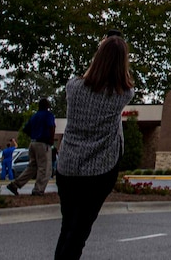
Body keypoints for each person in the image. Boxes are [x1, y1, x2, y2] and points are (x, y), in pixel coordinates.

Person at [52, 34, 136, 260]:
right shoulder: (123, 95)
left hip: (68, 166)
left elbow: (86, 79)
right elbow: (126, 83)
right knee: (79, 232)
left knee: (67, 227)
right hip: (100, 169)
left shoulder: (73, 87)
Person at [8, 97, 56, 196]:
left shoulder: (34, 116)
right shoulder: (48, 115)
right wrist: (51, 140)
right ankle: (38, 190)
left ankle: (15, 184)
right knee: (45, 168)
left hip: (33, 143)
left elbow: (25, 129)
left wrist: (34, 135)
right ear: (47, 106)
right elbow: (51, 127)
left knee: (32, 167)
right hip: (43, 144)